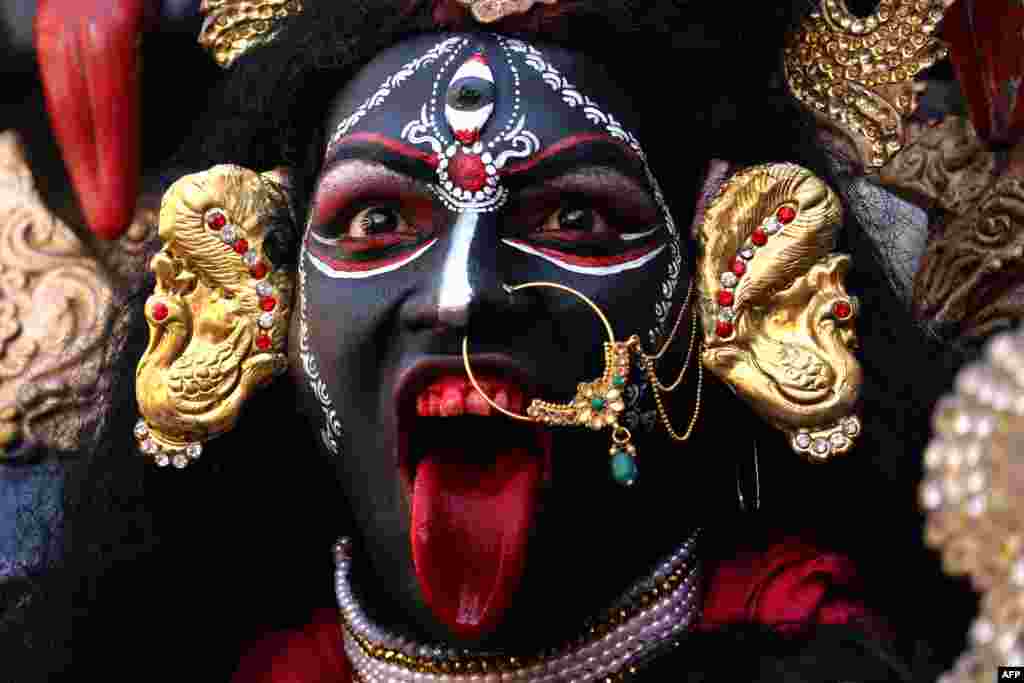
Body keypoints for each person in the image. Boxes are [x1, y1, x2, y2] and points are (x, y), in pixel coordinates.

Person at [0, 0, 1006, 680]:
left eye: (574, 219)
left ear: (728, 282)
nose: (462, 295)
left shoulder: (845, 644)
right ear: (261, 300)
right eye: (376, 221)